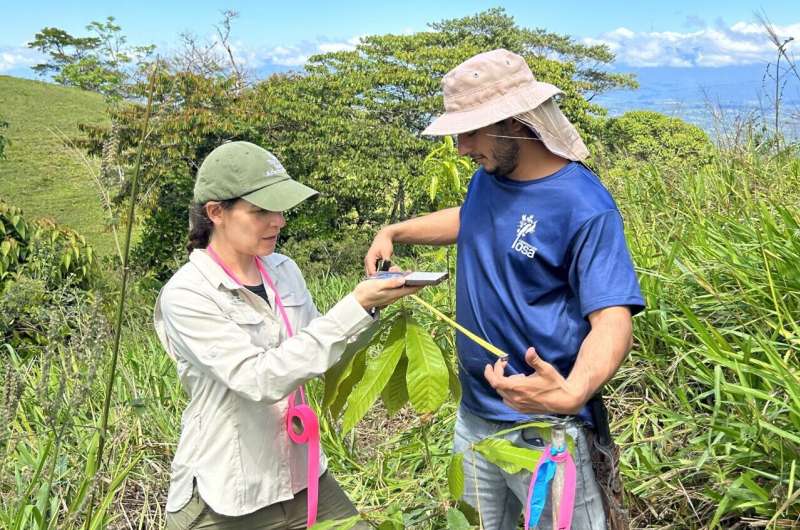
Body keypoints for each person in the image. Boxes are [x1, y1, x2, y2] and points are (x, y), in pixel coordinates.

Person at [365, 49, 644, 530]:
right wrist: (396, 230)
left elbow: (612, 319)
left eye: (470, 132)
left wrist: (573, 390)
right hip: (473, 417)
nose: (461, 148)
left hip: (543, 431)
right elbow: (473, 220)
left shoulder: (584, 206)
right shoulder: (491, 177)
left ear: (514, 122)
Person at [155, 141, 419, 529]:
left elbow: (320, 346)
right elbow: (259, 379)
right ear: (216, 213)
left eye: (279, 209)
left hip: (300, 472)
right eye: (261, 211)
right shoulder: (188, 293)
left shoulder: (282, 269)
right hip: (226, 492)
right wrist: (355, 305)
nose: (277, 221)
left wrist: (375, 303)